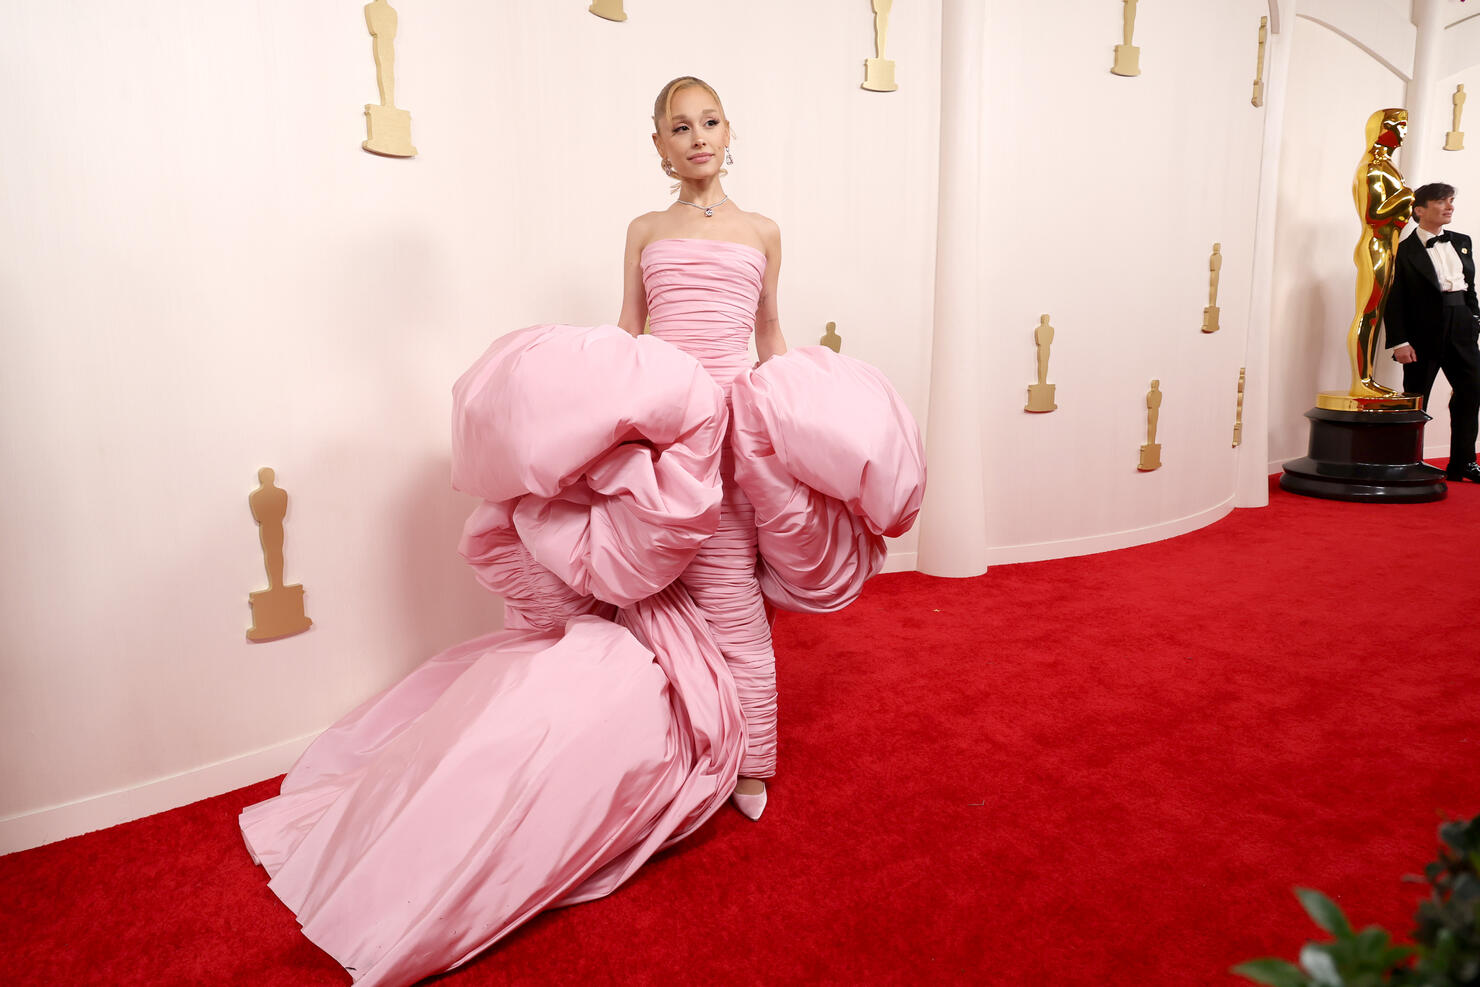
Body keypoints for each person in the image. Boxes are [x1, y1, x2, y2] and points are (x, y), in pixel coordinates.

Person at [238, 76, 925, 987]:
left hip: (726, 443)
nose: (697, 137)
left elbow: (768, 334)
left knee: (732, 605)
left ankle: (753, 761)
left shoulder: (763, 233)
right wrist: (599, 425)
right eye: (679, 126)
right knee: (637, 598)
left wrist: (792, 428)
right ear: (657, 143)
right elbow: (628, 334)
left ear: (730, 131)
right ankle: (651, 749)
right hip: (656, 442)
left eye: (710, 121)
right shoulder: (645, 231)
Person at [1385, 183, 1480, 482]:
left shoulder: (1462, 241)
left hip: (1462, 326)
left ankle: (1463, 463)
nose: (1449, 206)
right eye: (1441, 201)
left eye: (1451, 200)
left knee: (1471, 393)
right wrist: (1399, 341)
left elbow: (1468, 285)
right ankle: (1407, 462)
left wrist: (1474, 316)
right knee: (1416, 399)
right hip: (1422, 333)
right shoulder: (1401, 251)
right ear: (1419, 210)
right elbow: (1394, 297)